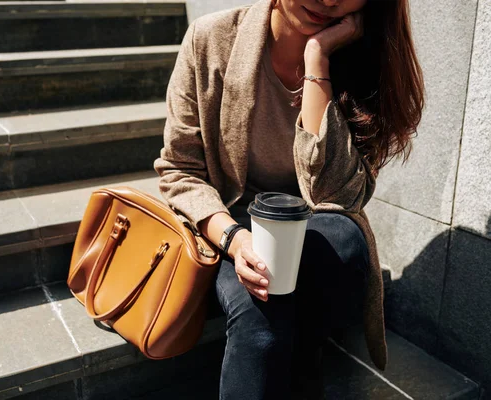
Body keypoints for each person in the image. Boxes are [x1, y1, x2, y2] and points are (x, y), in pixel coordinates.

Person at [154, 0, 424, 398]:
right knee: (261, 309)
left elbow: (336, 195)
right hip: (231, 222)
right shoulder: (212, 39)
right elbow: (180, 170)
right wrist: (234, 239)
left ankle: (297, 354)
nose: (330, 0)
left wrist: (317, 63)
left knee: (345, 239)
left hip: (314, 230)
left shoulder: (368, 59)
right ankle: (301, 365)